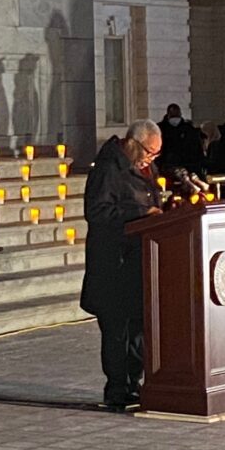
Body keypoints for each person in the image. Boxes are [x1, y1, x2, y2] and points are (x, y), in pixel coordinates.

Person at [81, 119, 163, 412]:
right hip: (112, 263)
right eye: (149, 152)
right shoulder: (108, 168)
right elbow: (98, 211)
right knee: (117, 331)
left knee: (139, 329)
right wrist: (142, 212)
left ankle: (134, 383)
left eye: (155, 155)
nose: (150, 159)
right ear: (133, 142)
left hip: (138, 262)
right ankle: (117, 387)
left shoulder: (143, 168)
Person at [157, 103, 205, 178]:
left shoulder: (188, 129)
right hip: (167, 167)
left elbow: (196, 148)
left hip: (188, 166)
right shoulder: (161, 129)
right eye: (173, 115)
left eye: (176, 114)